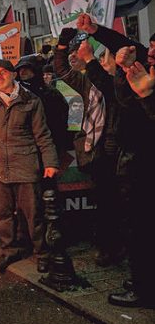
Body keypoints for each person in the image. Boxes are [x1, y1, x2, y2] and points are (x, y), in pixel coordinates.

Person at [78, 16, 155, 308]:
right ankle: (143, 279)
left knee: (141, 230)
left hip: (143, 166)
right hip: (132, 163)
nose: (149, 54)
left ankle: (144, 289)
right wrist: (95, 31)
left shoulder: (145, 82)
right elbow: (126, 45)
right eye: (150, 48)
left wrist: (146, 95)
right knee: (136, 228)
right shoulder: (141, 70)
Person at [0, 59, 59, 273]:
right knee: (3, 215)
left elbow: (42, 134)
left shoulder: (30, 100)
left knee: (33, 214)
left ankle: (42, 253)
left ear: (13, 75)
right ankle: (9, 250)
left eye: (4, 72)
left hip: (25, 164)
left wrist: (50, 162)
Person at [54, 22, 123, 266]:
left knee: (120, 204)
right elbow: (62, 71)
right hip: (97, 152)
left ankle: (121, 246)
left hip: (120, 153)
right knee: (104, 202)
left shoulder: (124, 83)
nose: (103, 62)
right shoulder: (87, 83)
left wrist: (91, 59)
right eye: (101, 59)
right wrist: (62, 46)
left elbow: (107, 87)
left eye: (106, 58)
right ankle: (107, 247)